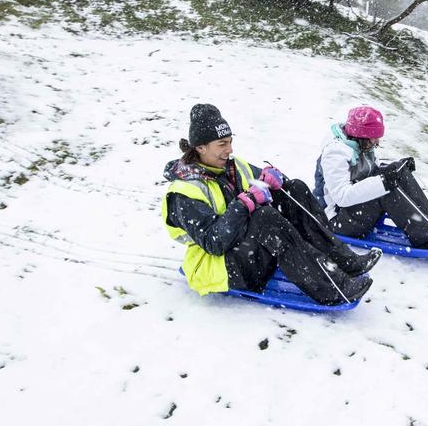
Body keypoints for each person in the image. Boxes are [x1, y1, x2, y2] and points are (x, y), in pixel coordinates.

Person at [163, 103, 380, 306]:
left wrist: (277, 178)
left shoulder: (231, 165)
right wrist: (244, 203)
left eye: (230, 141)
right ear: (200, 147)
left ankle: (342, 260)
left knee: (295, 188)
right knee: (264, 217)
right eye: (222, 144)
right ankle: (333, 289)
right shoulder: (184, 193)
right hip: (222, 269)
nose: (229, 150)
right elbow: (213, 243)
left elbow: (269, 181)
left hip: (247, 250)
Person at [313, 105, 428, 250]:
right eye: (374, 137)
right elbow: (342, 196)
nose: (377, 142)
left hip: (353, 211)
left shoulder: (361, 144)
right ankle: (425, 238)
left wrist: (398, 168)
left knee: (398, 173)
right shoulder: (335, 155)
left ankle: (427, 225)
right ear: (361, 135)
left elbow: (374, 169)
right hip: (337, 220)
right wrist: (383, 183)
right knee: (386, 188)